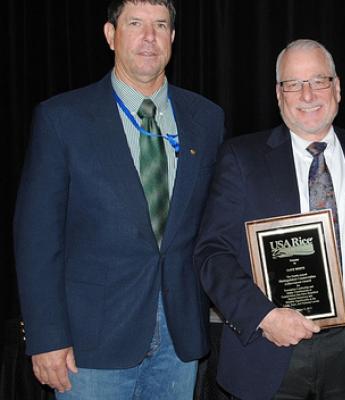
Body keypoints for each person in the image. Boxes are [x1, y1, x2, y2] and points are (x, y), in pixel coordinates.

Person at [13, 0, 224, 398]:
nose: (149, 37)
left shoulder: (207, 118)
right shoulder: (63, 118)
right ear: (111, 35)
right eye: (135, 24)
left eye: (160, 25)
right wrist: (45, 337)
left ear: (173, 38)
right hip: (90, 344)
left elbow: (214, 223)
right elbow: (36, 238)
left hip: (180, 338)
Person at [194, 39, 345, 400]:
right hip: (267, 348)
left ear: (337, 87)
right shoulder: (242, 159)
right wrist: (264, 317)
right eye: (293, 84)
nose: (307, 94)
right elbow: (212, 254)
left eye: (318, 80)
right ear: (278, 94)